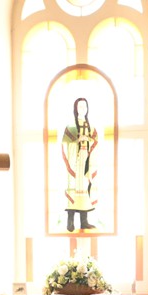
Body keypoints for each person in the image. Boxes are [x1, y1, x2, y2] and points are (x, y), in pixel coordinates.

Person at [62, 97, 98, 232]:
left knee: (85, 188)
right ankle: (70, 222)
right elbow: (65, 143)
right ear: (75, 108)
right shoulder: (70, 127)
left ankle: (84, 221)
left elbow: (95, 142)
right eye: (80, 106)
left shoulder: (91, 128)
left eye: (85, 106)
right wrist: (76, 141)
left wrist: (87, 139)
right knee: (73, 187)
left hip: (86, 160)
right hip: (75, 161)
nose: (83, 109)